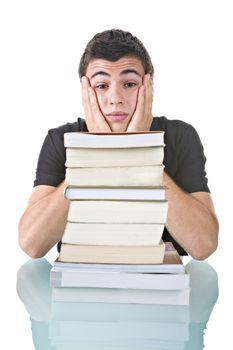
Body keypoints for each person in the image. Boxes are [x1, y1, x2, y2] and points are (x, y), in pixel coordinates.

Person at [18, 29, 219, 259]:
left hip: (161, 287)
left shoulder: (182, 136)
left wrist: (141, 154)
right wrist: (96, 153)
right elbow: (31, 244)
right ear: (86, 91)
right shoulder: (62, 140)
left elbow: (204, 245)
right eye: (102, 86)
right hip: (82, 284)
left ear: (148, 86)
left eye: (129, 84)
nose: (115, 98)